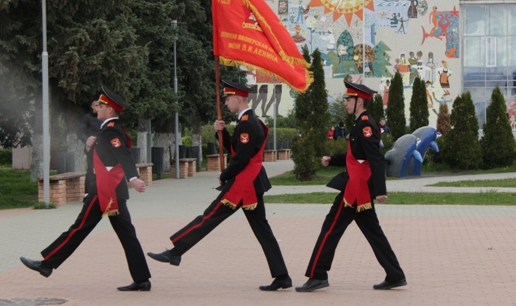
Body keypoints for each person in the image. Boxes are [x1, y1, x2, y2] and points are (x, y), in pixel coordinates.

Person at [148, 81, 291, 291]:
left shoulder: (247, 123)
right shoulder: (248, 122)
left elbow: (241, 158)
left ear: (239, 99)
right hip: (250, 183)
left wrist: (225, 174)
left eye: (228, 98)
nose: (225, 102)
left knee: (209, 217)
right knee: (262, 231)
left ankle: (175, 252)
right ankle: (282, 276)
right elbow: (237, 149)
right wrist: (220, 134)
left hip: (243, 184)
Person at [20, 86, 151, 291]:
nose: (97, 108)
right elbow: (103, 157)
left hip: (105, 191)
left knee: (79, 228)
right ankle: (142, 278)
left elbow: (123, 155)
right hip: (110, 191)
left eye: (101, 106)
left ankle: (47, 264)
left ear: (110, 111)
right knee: (127, 234)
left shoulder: (111, 130)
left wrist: (133, 178)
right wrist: (89, 146)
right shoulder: (106, 129)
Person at [296, 80, 406, 292]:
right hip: (358, 188)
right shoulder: (359, 123)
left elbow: (375, 158)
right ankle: (395, 274)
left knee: (330, 228)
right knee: (374, 233)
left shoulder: (365, 125)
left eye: (348, 99)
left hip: (355, 190)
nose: (345, 102)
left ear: (359, 102)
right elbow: (356, 155)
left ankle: (318, 274)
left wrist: (381, 190)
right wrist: (333, 159)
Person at [77, 99, 100, 193]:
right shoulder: (87, 118)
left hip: (104, 149)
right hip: (92, 149)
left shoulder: (106, 118)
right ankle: (88, 194)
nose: (98, 107)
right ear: (92, 106)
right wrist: (87, 140)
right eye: (96, 105)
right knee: (91, 170)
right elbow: (80, 131)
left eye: (100, 105)